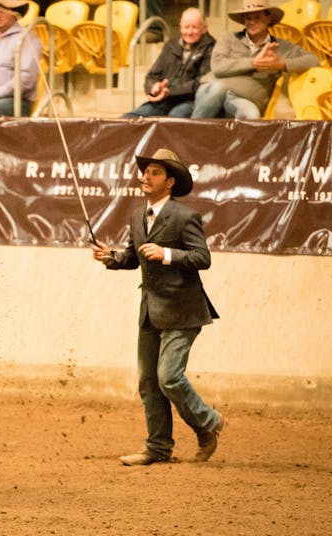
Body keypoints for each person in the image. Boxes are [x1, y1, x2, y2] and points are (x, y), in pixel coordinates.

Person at [91, 148, 222, 466]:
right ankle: (158, 448)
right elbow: (133, 257)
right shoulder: (137, 217)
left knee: (169, 378)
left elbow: (202, 258)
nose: (146, 177)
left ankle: (208, 423)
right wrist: (113, 257)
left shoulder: (185, 216)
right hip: (150, 309)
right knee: (148, 382)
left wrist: (167, 254)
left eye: (155, 173)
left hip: (183, 308)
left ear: (170, 182)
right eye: (145, 172)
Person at [191, 0, 319, 120]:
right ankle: (190, 138)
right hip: (213, 90)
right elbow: (218, 67)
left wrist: (282, 64)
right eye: (248, 18)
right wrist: (254, 62)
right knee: (215, 90)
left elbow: (313, 60)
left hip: (242, 100)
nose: (252, 22)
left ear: (268, 18)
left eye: (257, 17)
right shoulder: (229, 39)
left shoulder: (280, 46)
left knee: (251, 115)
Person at [124, 7, 214, 118]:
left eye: (194, 27)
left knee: (174, 118)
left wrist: (169, 92)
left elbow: (201, 83)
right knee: (130, 117)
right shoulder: (170, 46)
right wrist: (154, 88)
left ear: (204, 28)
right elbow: (152, 76)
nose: (189, 32)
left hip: (190, 101)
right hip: (164, 99)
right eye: (186, 27)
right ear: (180, 28)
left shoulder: (211, 47)